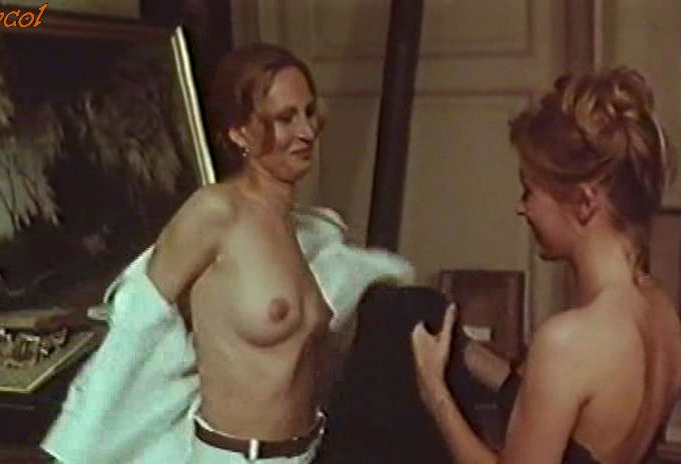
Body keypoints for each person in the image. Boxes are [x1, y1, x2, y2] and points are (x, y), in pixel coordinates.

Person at [41, 43, 413, 464]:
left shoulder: (313, 231)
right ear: (240, 133)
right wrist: (71, 450)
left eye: (309, 112)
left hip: (305, 453)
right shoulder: (215, 213)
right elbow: (135, 327)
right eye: (285, 118)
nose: (307, 132)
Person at [411, 67, 681, 464]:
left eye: (529, 191)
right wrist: (470, 357)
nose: (521, 208)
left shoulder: (567, 341)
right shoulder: (661, 311)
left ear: (584, 202)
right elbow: (570, 410)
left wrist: (434, 391)